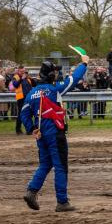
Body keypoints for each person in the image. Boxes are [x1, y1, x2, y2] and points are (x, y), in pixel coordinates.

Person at [21, 55, 88, 212]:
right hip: (55, 132)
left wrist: (32, 129)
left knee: (45, 164)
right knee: (60, 166)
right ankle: (62, 202)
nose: (57, 74)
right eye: (55, 72)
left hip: (41, 134)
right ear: (51, 75)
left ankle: (31, 191)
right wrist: (84, 63)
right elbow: (73, 79)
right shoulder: (55, 89)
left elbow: (23, 114)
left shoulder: (31, 93)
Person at [11, 66, 36, 135]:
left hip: (29, 98)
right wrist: (21, 79)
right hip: (21, 98)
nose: (23, 73)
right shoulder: (15, 77)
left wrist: (30, 78)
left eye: (24, 71)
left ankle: (29, 129)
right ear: (18, 71)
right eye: (21, 72)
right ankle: (18, 130)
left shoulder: (28, 78)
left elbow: (34, 84)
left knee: (29, 114)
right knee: (20, 114)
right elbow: (15, 85)